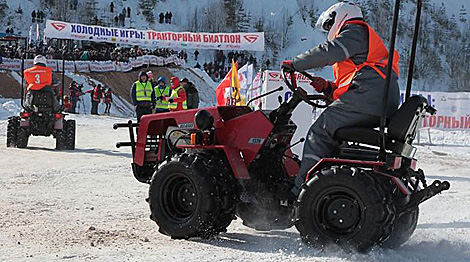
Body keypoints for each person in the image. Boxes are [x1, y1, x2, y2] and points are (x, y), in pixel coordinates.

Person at [280, 2, 400, 197]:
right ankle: (325, 182)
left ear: (340, 16)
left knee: (319, 133)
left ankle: (300, 191)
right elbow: (356, 77)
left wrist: (296, 63)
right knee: (332, 134)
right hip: (375, 98)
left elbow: (330, 51)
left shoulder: (355, 31)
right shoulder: (362, 38)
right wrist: (329, 88)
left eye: (329, 24)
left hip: (370, 98)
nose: (329, 30)